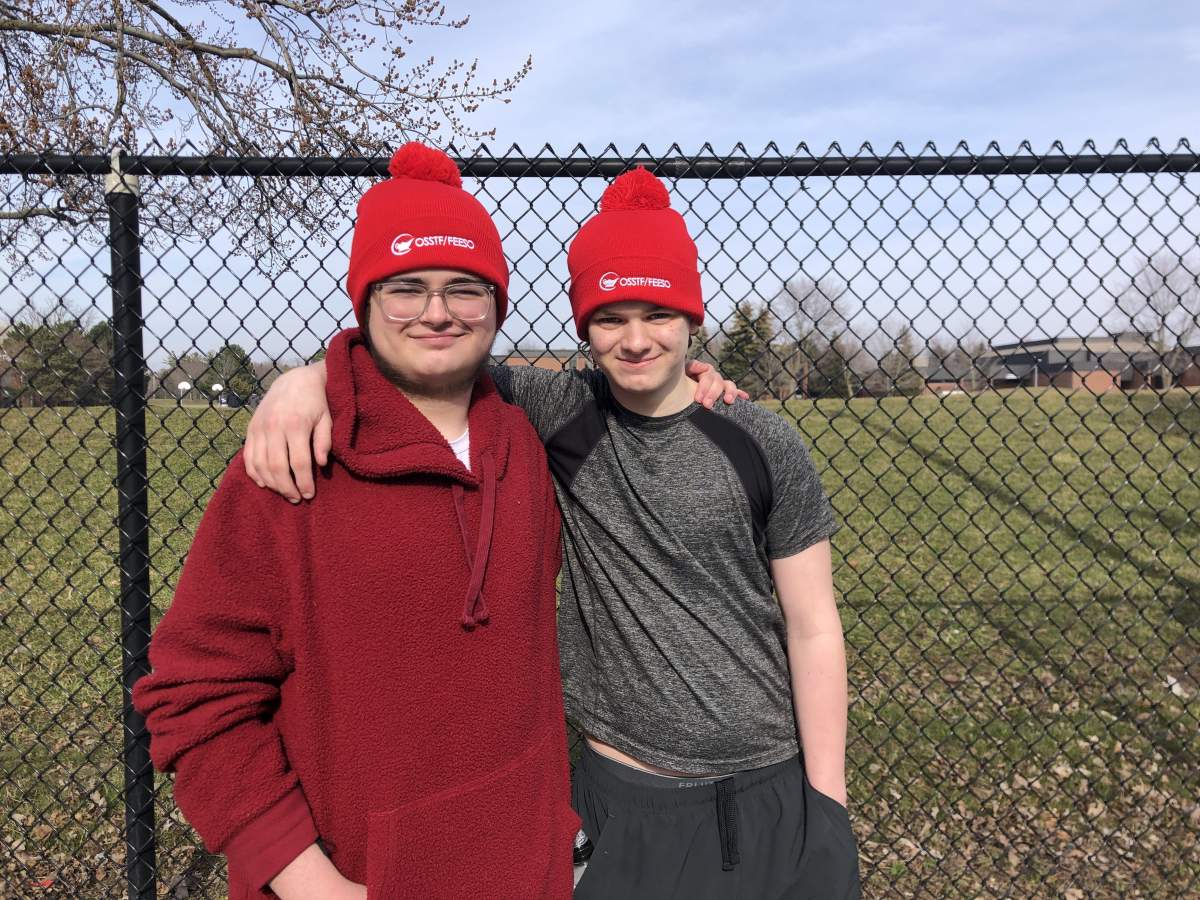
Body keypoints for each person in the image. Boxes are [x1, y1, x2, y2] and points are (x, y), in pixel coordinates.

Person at [244, 167, 862, 898]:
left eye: (658, 312)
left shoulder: (760, 440)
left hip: (761, 783)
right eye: (610, 317)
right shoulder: (563, 414)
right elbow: (426, 357)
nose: (635, 339)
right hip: (616, 791)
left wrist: (827, 807)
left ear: (692, 316)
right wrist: (309, 377)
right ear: (583, 327)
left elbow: (813, 624)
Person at [133, 143, 581, 900]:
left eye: (465, 288)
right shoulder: (291, 465)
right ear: (364, 305)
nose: (437, 312)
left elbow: (643, 398)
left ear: (498, 304)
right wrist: (305, 878)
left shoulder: (529, 449)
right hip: (355, 878)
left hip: (526, 865)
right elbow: (194, 696)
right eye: (406, 287)